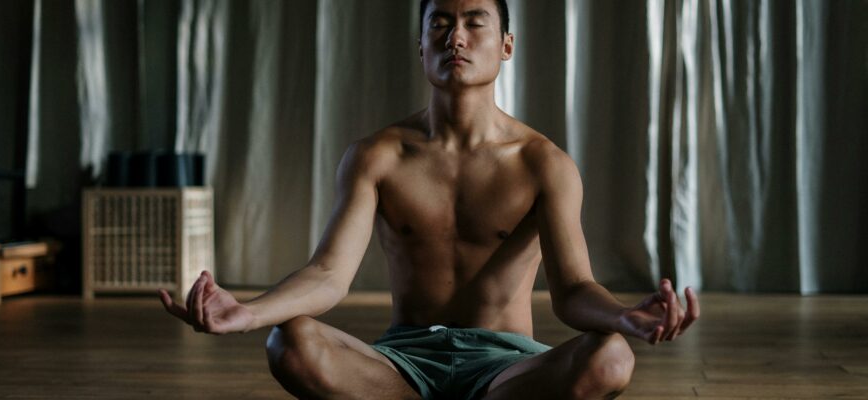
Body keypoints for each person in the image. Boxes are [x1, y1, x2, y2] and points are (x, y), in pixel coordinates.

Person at [159, 0, 700, 398]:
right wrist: (247, 314)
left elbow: (574, 290)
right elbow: (328, 274)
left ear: (506, 45)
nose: (455, 38)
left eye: (474, 23)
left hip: (508, 370)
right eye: (439, 23)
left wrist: (625, 317)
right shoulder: (378, 156)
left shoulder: (544, 163)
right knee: (289, 343)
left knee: (610, 357)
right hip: (401, 365)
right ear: (421, 45)